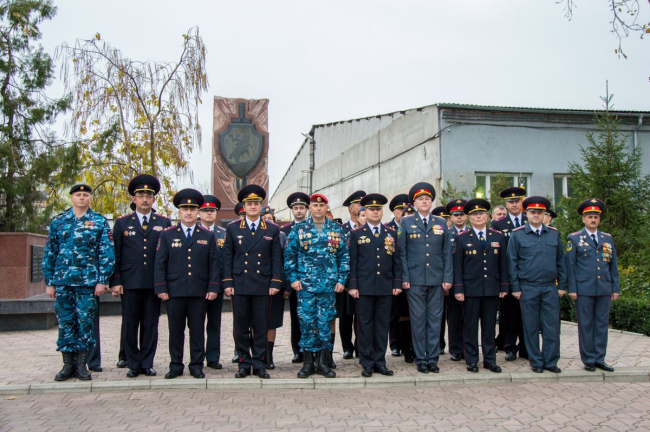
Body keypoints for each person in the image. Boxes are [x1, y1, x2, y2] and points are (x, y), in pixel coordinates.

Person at [43, 184, 115, 381]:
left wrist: (102, 280)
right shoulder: (59, 221)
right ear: (72, 198)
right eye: (78, 195)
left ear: (90, 198)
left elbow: (106, 253)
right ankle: (67, 365)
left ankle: (82, 365)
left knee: (85, 323)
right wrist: (49, 282)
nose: (82, 198)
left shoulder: (98, 221)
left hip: (87, 283)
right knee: (65, 322)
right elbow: (50, 252)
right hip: (63, 281)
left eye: (85, 195)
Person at [154, 189, 220, 379]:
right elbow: (160, 263)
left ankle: (196, 365)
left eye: (192, 209)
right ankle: (176, 365)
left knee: (197, 330)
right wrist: (161, 287)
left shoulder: (207, 235)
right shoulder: (167, 234)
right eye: (185, 209)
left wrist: (213, 287)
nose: (189, 213)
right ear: (179, 211)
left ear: (198, 211)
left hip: (199, 291)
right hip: (174, 291)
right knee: (175, 331)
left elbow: (213, 263)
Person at [110, 174, 171, 378]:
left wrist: (163, 283)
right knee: (130, 324)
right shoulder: (122, 223)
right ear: (133, 199)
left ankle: (147, 363)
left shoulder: (163, 222)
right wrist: (116, 280)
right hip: (130, 282)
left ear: (154, 199)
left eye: (149, 196)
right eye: (141, 196)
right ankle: (133, 363)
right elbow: (117, 253)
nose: (145, 199)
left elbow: (166, 255)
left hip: (153, 282)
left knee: (150, 325)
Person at [285, 193, 349, 379]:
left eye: (322, 205)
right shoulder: (299, 229)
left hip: (328, 287)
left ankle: (322, 363)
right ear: (310, 208)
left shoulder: (336, 229)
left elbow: (344, 256)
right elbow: (289, 256)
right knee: (306, 324)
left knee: (325, 323)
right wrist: (293, 279)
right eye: (315, 205)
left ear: (327, 208)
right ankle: (307, 363)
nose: (318, 208)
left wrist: (341, 280)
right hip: (305, 286)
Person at [222, 185, 283, 379]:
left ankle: (259, 363)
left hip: (262, 284)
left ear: (261, 205)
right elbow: (227, 257)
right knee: (240, 327)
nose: (253, 206)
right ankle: (243, 363)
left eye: (256, 203)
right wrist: (227, 282)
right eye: (249, 204)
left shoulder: (272, 229)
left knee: (261, 326)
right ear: (244, 206)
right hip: (240, 283)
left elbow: (276, 258)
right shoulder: (233, 228)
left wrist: (275, 282)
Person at [398, 182, 453, 374]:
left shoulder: (441, 222)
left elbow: (447, 252)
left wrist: (447, 277)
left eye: (427, 199)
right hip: (415, 279)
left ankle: (433, 358)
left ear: (431, 202)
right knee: (418, 320)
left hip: (436, 278)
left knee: (435, 320)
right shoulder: (406, 222)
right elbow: (402, 252)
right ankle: (421, 358)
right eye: (420, 199)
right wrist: (404, 277)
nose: (424, 201)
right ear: (414, 203)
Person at [507, 196, 566, 374]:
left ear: (544, 214)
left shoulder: (553, 234)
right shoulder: (518, 234)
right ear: (526, 213)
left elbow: (561, 261)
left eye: (540, 212)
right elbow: (512, 262)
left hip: (549, 286)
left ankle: (551, 361)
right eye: (533, 212)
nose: (536, 215)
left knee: (551, 326)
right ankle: (536, 361)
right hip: (528, 286)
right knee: (531, 326)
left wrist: (561, 285)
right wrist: (515, 287)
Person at [348, 194, 402, 377]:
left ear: (382, 211)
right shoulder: (356, 234)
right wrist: (353, 285)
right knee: (365, 326)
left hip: (386, 287)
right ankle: (367, 363)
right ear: (366, 211)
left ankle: (380, 361)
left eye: (378, 209)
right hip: (364, 287)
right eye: (371, 209)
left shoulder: (391, 233)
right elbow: (353, 262)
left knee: (382, 326)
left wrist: (397, 282)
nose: (375, 212)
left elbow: (397, 261)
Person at [452, 198, 508, 373]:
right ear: (469, 217)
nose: (478, 217)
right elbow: (457, 266)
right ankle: (472, 360)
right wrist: (458, 288)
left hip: (491, 288)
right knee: (470, 327)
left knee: (489, 327)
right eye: (475, 214)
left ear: (487, 216)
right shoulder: (461, 238)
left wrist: (504, 286)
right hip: (470, 290)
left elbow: (503, 264)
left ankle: (490, 360)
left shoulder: (498, 236)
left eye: (481, 214)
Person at [565, 199, 619, 373]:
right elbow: (570, 265)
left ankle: (600, 358)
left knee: (602, 324)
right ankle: (588, 359)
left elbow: (612, 264)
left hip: (603, 287)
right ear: (583, 219)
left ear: (599, 219)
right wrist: (572, 288)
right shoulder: (574, 238)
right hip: (584, 288)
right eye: (589, 217)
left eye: (596, 217)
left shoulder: (607, 238)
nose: (593, 220)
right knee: (586, 324)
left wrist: (615, 287)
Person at [491, 186, 529, 361]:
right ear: (506, 204)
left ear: (522, 202)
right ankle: (510, 347)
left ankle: (525, 347)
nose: (514, 204)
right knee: (509, 314)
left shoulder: (529, 220)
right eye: (511, 202)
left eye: (517, 201)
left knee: (527, 314)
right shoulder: (498, 224)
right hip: (507, 274)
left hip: (527, 274)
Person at [197, 194, 227, 371]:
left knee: (214, 323)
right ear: (199, 213)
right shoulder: (194, 232)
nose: (209, 214)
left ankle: (213, 357)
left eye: (212, 211)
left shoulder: (224, 233)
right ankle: (198, 357)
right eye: (205, 211)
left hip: (217, 285)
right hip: (198, 285)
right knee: (197, 323)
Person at [281, 192, 310, 364]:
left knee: (312, 318)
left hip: (312, 281)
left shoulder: (314, 228)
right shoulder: (284, 230)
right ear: (292, 210)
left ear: (307, 209)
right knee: (296, 317)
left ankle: (311, 350)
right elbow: (283, 259)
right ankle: (298, 350)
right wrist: (287, 284)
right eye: (296, 208)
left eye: (301, 208)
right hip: (294, 282)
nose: (299, 211)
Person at [338, 191, 365, 360]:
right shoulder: (342, 229)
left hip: (362, 279)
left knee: (361, 315)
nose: (362, 207)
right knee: (345, 316)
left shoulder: (367, 227)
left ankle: (360, 345)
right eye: (358, 204)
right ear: (350, 208)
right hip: (345, 279)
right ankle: (347, 347)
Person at [260, 205, 286, 370]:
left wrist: (284, 284)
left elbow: (285, 260)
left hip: (275, 284)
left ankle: (268, 355)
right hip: (257, 283)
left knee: (272, 322)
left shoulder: (281, 235)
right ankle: (259, 353)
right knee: (255, 322)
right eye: (264, 218)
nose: (267, 221)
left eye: (270, 218)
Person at [444, 199, 469, 363]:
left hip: (470, 282)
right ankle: (455, 348)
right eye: (455, 215)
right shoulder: (447, 234)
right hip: (452, 282)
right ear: (451, 217)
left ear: (466, 216)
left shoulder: (472, 233)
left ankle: (467, 347)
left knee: (469, 317)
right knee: (453, 317)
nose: (459, 217)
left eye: (462, 214)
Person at [385, 194, 409, 357]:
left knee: (406, 313)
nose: (402, 213)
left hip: (408, 275)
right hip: (392, 276)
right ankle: (394, 344)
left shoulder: (412, 226)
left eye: (405, 210)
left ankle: (407, 344)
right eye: (399, 210)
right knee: (393, 313)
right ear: (394, 212)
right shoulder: (388, 228)